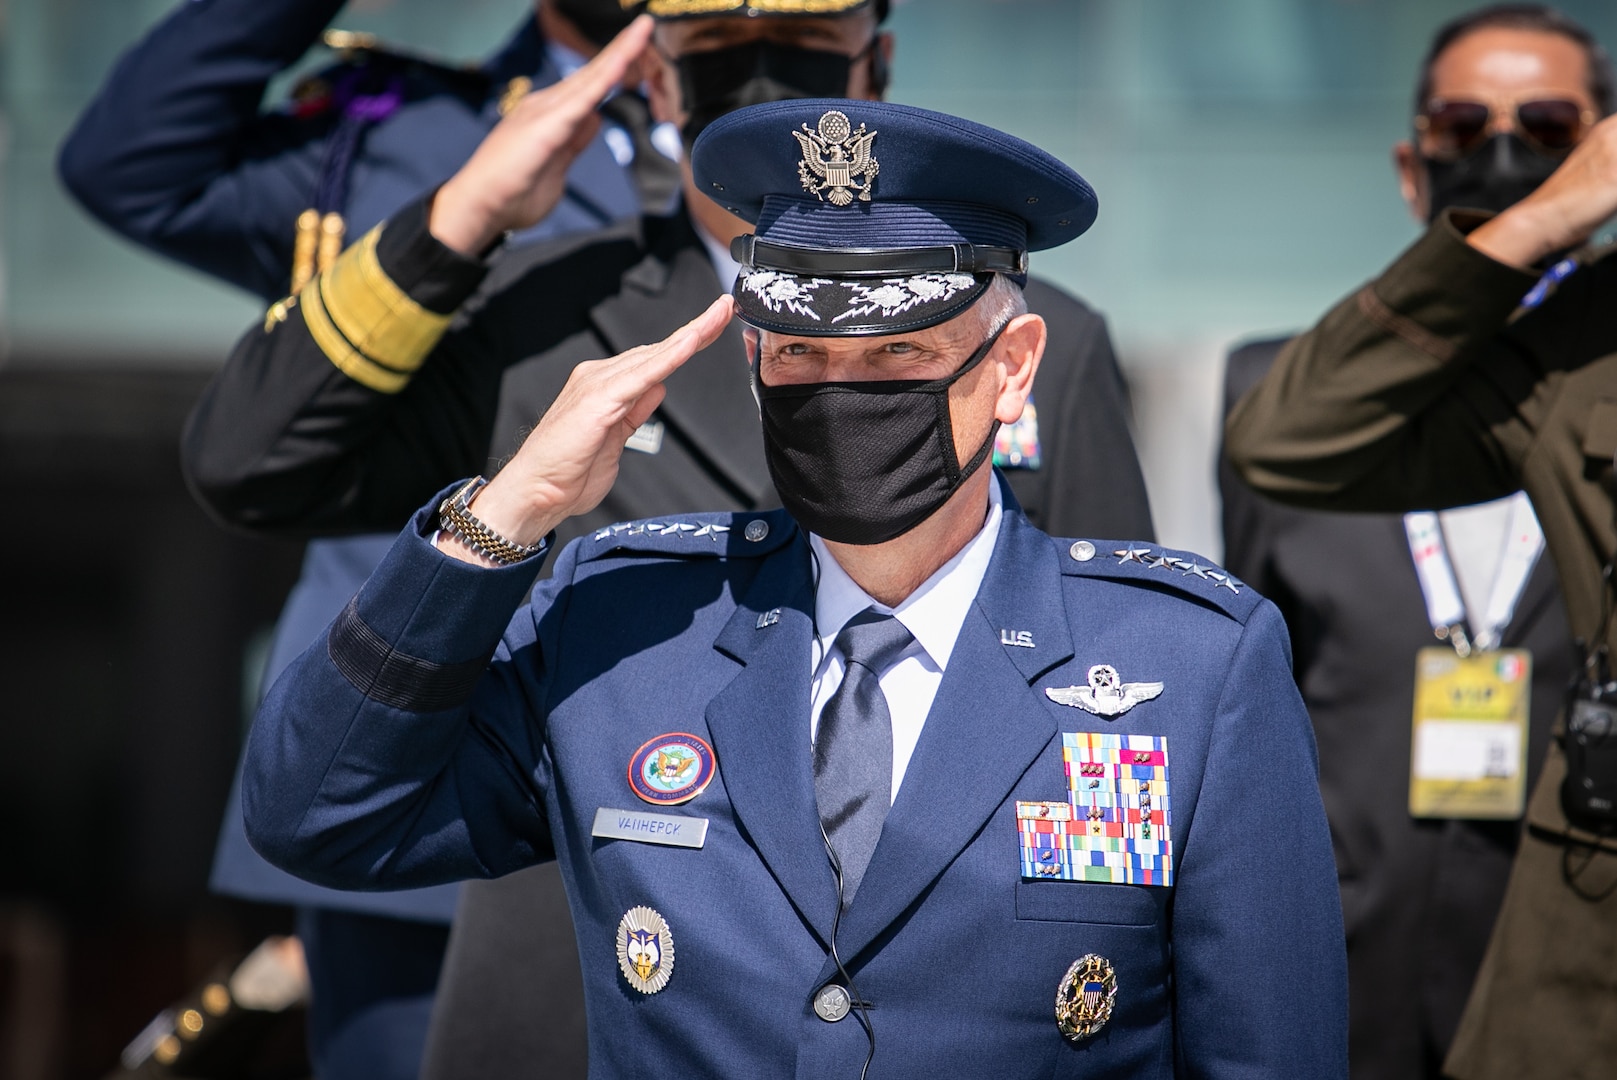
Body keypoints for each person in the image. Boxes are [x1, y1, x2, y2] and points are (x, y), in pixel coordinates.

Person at [239, 95, 1346, 1078]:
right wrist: (506, 514)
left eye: (897, 357)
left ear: (1010, 371)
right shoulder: (624, 628)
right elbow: (317, 815)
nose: (838, 393)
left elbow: (1268, 1048)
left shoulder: (1192, 665)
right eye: (797, 356)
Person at [56, 1, 656, 1076]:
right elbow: (130, 163)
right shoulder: (398, 128)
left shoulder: (819, 120)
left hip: (706, 767)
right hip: (427, 791)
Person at [1224, 3, 1617, 1076]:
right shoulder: (1286, 380)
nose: (1500, 153)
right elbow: (1250, 691)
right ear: (1412, 165)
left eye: (1547, 129)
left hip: (1559, 915)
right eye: (1460, 126)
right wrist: (1535, 220)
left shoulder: (1589, 358)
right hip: (1352, 934)